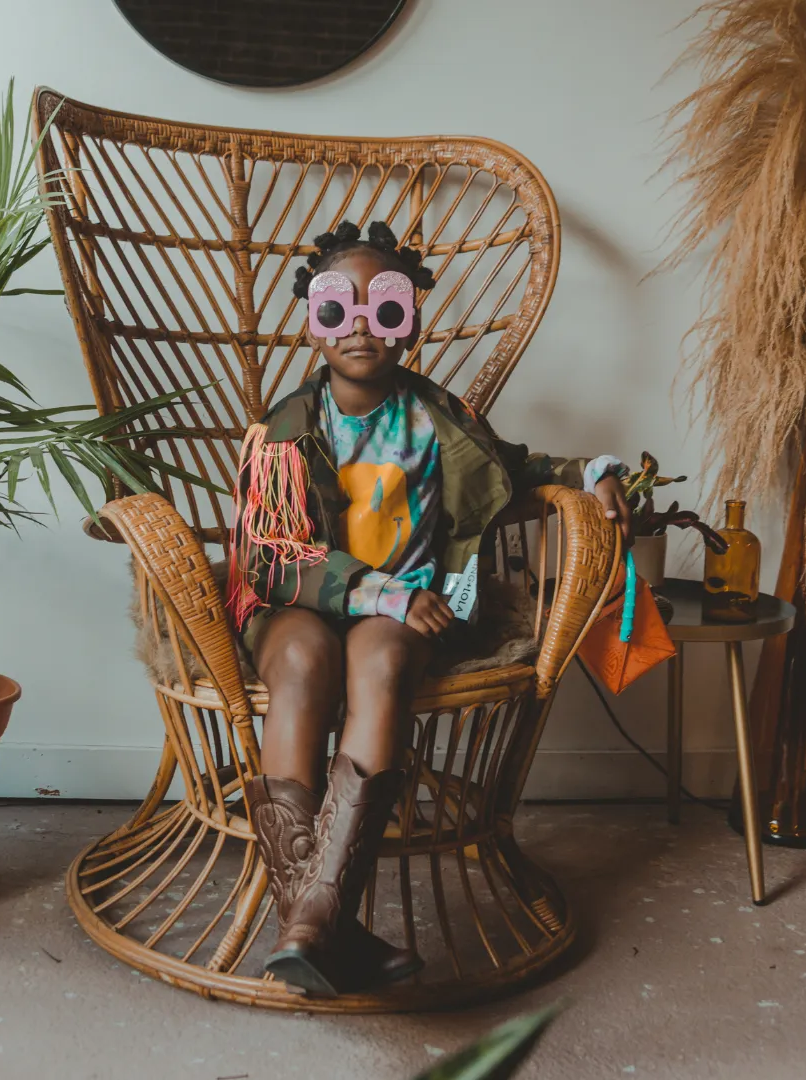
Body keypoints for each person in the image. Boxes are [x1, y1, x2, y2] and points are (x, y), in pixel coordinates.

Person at [230, 221, 631, 997]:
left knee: (379, 658)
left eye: (383, 312)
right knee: (309, 659)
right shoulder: (284, 429)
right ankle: (326, 927)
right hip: (299, 604)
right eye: (337, 310)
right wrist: (380, 589)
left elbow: (518, 469)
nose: (359, 332)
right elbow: (272, 555)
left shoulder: (437, 418)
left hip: (410, 615)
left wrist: (598, 470)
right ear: (312, 320)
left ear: (408, 323)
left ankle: (310, 927)